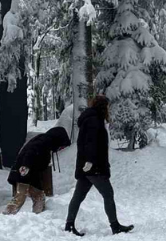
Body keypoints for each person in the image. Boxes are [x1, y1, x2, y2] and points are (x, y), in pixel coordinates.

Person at [66, 95, 133, 236]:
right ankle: (115, 226)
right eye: (107, 106)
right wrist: (90, 162)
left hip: (87, 166)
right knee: (108, 194)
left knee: (78, 196)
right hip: (93, 167)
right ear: (103, 106)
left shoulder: (90, 118)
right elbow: (90, 143)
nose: (108, 109)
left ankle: (69, 225)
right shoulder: (94, 120)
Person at [5, 126, 70, 215]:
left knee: (39, 196)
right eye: (61, 146)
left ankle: (38, 217)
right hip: (24, 172)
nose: (60, 149)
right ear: (58, 139)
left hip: (31, 175)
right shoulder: (43, 141)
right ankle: (6, 216)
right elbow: (31, 151)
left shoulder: (47, 143)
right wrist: (25, 166)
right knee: (20, 196)